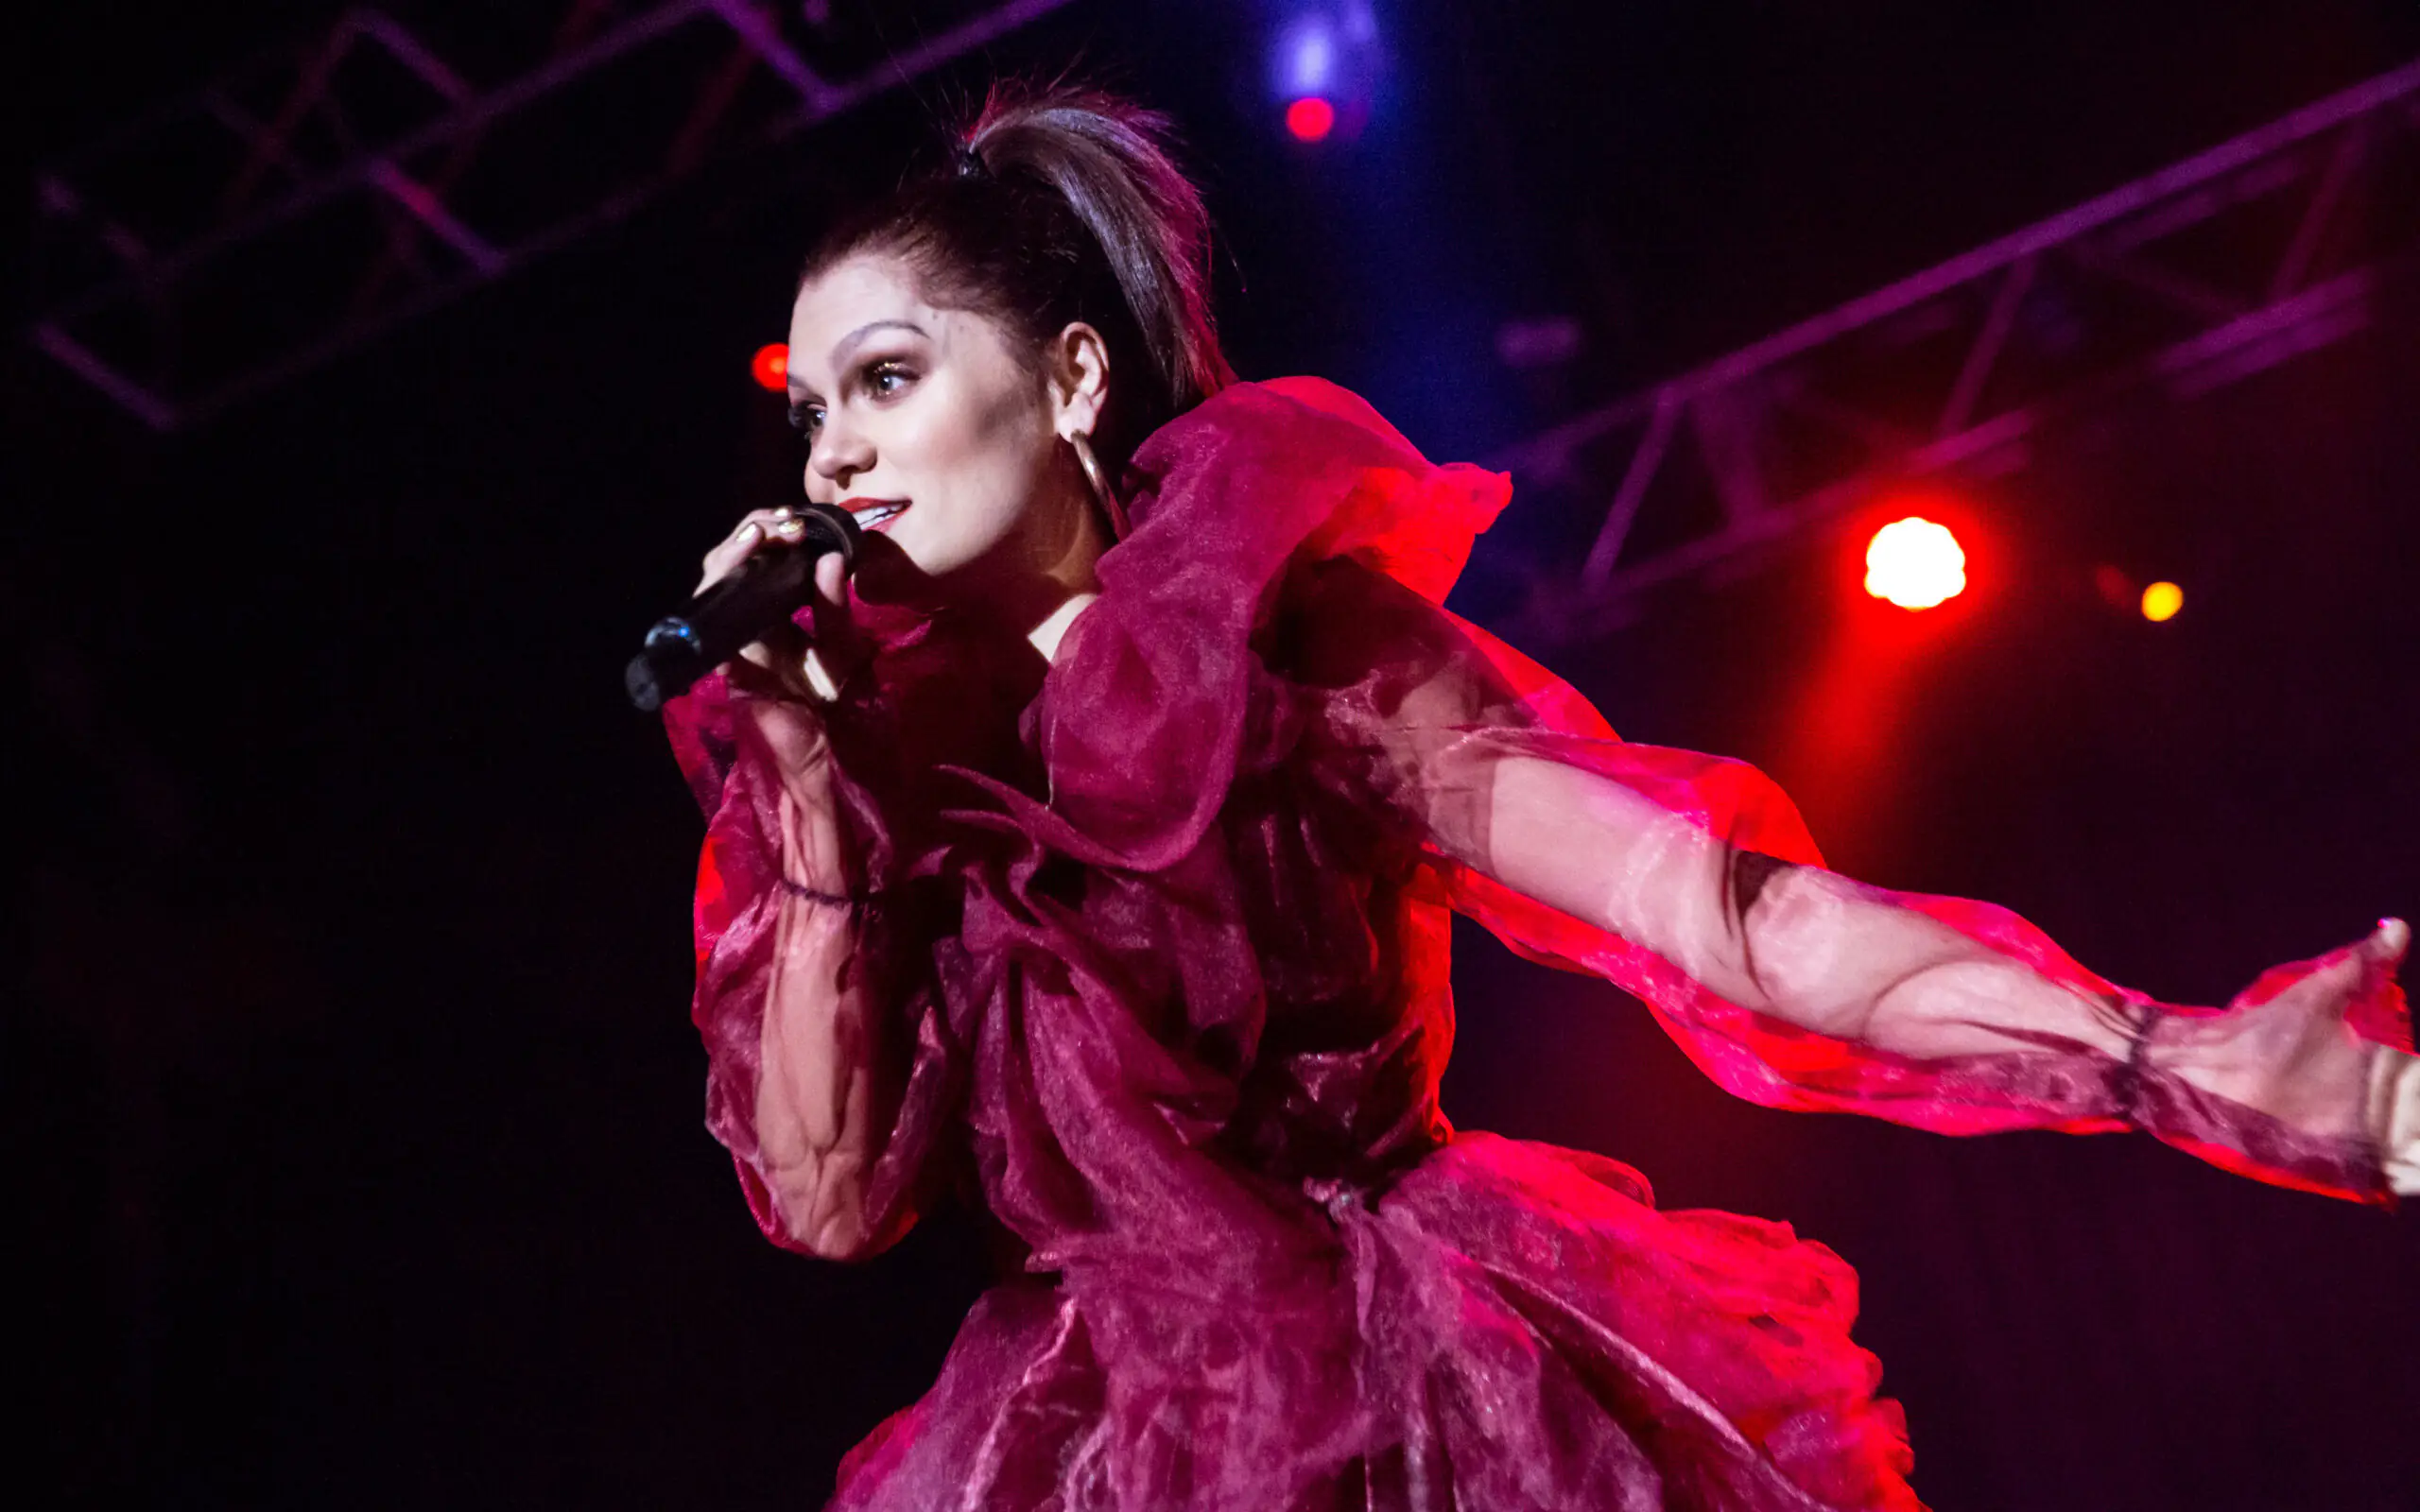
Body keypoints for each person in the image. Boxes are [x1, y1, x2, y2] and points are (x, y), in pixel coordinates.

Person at [661, 84, 2416, 1511]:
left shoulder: (1297, 650)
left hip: (1413, 1403)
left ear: (1069, 382)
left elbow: (1731, 923)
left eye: (886, 378)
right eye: (812, 414)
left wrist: (2165, 1059)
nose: (836, 451)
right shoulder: (874, 770)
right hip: (1087, 1450)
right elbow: (828, 1202)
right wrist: (812, 794)